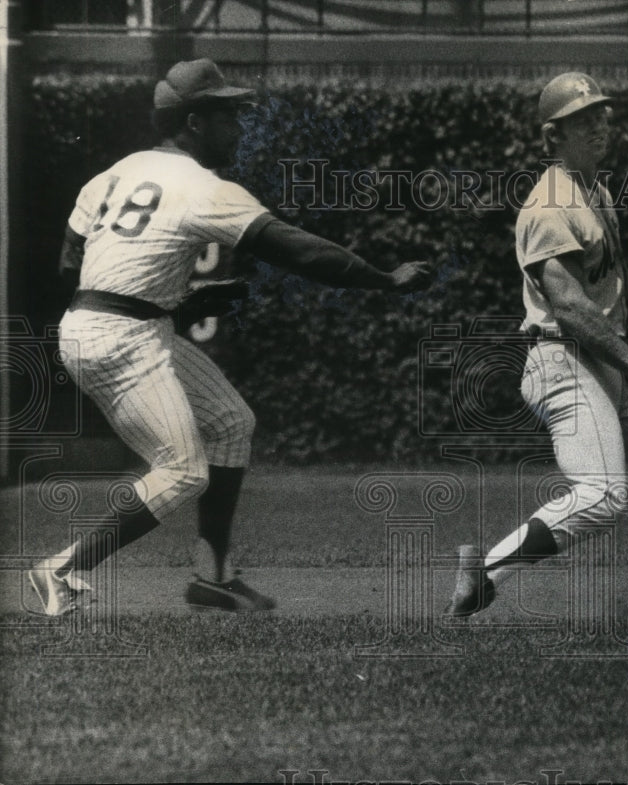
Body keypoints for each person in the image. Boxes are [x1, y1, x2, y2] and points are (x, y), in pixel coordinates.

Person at [28, 59, 432, 615]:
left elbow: (71, 260)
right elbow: (296, 249)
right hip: (123, 338)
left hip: (115, 325)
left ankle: (213, 579)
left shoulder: (116, 172)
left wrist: (168, 302)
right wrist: (384, 279)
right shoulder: (203, 188)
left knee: (230, 423)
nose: (238, 129)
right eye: (227, 116)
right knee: (182, 470)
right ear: (194, 123)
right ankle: (61, 569)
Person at [445, 72, 628, 619]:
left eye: (600, 114)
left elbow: (603, 301)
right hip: (564, 365)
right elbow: (569, 306)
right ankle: (485, 571)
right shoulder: (549, 205)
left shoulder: (595, 193)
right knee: (604, 493)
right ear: (553, 136)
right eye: (582, 119)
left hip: (602, 369)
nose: (598, 125)